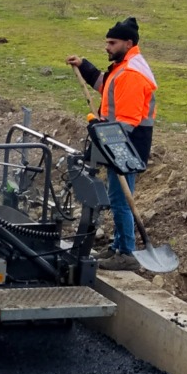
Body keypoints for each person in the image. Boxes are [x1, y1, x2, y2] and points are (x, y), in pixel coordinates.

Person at [67, 17, 157, 258]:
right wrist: (84, 66)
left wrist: (100, 128)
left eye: (112, 43)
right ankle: (118, 246)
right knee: (118, 198)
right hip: (118, 143)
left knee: (120, 200)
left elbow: (127, 121)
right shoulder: (124, 67)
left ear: (128, 43)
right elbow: (107, 87)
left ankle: (126, 253)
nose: (107, 47)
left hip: (125, 146)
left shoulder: (131, 74)